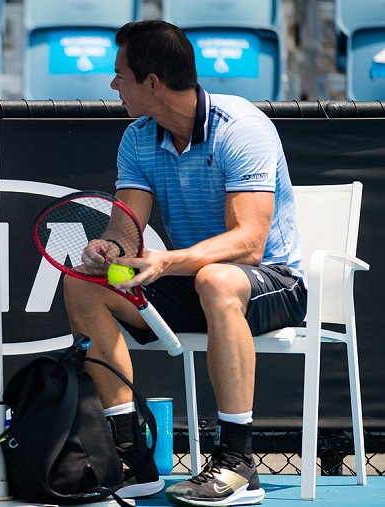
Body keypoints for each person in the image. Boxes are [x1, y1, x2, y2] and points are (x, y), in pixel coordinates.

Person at [64, 20, 307, 506]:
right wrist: (109, 250)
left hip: (272, 285)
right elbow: (125, 227)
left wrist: (169, 260)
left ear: (151, 82)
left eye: (120, 75)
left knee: (216, 279)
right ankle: (131, 456)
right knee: (84, 283)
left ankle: (239, 463)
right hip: (186, 282)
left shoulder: (242, 129)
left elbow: (249, 243)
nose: (114, 85)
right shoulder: (137, 138)